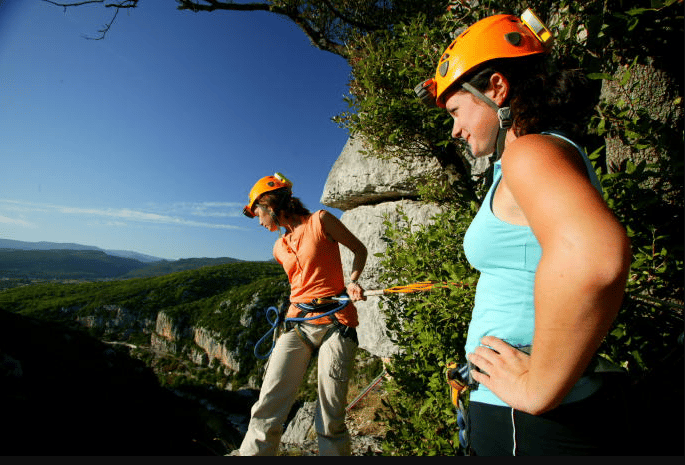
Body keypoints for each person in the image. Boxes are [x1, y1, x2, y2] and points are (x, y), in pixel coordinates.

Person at [415, 9, 632, 455]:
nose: (454, 129)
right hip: (518, 409)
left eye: (456, 110)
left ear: (496, 87)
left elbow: (596, 258)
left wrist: (538, 387)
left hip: (524, 416)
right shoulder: (533, 155)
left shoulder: (528, 154)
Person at [237, 173, 367, 456]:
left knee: (330, 415)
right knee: (267, 405)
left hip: (336, 320)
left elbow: (359, 249)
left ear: (269, 204)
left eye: (257, 212)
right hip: (299, 322)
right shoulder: (279, 248)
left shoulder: (320, 221)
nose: (258, 220)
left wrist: (353, 281)